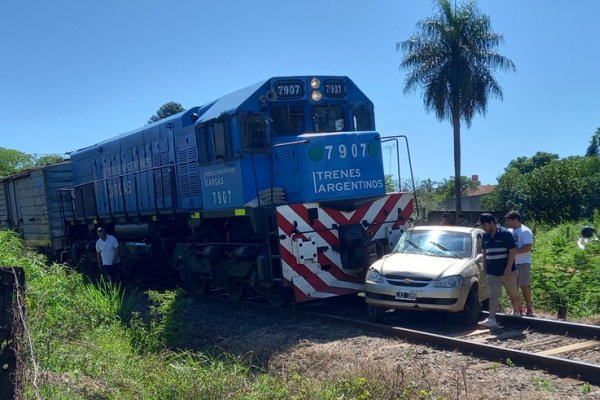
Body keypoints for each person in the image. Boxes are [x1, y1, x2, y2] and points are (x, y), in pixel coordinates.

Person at [478, 213, 522, 328]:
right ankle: (492, 319)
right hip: (492, 272)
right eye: (483, 226)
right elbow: (485, 252)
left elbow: (512, 251)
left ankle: (517, 312)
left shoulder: (505, 234)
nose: (484, 227)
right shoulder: (485, 237)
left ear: (492, 223)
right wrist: (485, 268)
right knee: (493, 295)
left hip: (508, 272)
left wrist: (508, 268)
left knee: (512, 293)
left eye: (486, 225)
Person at [505, 211, 534, 317]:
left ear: (515, 220)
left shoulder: (525, 231)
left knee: (524, 285)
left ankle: (529, 308)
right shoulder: (508, 231)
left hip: (523, 262)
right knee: (514, 287)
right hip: (511, 263)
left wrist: (514, 252)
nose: (507, 222)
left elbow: (528, 247)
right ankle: (518, 308)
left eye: (509, 220)